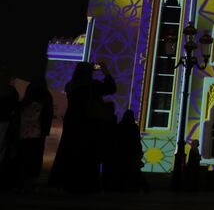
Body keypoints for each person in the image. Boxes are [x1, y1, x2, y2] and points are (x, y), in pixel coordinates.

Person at [49, 61, 116, 192]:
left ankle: (68, 182)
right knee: (88, 153)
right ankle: (86, 184)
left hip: (73, 121)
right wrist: (105, 70)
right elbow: (111, 88)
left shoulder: (70, 85)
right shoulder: (93, 85)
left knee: (70, 150)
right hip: (89, 122)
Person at [16, 79, 54, 191]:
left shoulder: (25, 102)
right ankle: (30, 182)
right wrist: (45, 132)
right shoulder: (45, 101)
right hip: (37, 135)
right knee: (34, 158)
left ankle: (20, 182)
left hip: (22, 134)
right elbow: (47, 118)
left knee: (22, 157)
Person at [115, 109, 146, 192]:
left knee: (124, 170)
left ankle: (124, 186)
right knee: (134, 170)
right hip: (132, 152)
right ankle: (141, 186)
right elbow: (137, 140)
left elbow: (118, 140)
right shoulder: (134, 127)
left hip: (123, 152)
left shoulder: (120, 126)